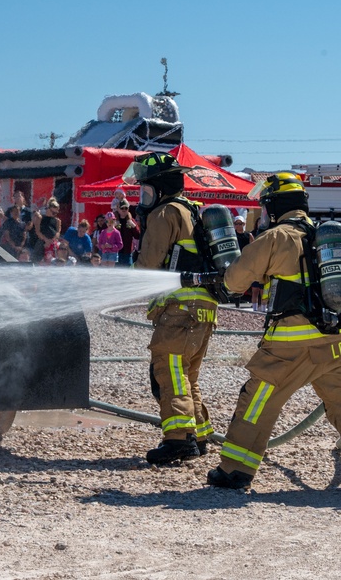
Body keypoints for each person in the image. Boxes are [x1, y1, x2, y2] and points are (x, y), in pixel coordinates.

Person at [208, 172, 341, 491]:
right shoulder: (324, 234)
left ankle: (235, 469)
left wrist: (224, 282)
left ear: (276, 206)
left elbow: (234, 281)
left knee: (258, 399)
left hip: (291, 345)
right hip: (340, 341)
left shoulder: (275, 237)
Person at [126, 153, 218, 465]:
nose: (144, 198)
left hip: (180, 308)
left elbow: (149, 262)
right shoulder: (192, 211)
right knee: (187, 375)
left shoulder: (165, 213)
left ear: (161, 187)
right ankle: (199, 435)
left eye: (147, 190)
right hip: (203, 309)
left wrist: (132, 275)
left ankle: (178, 439)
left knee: (169, 372)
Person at [32, 197, 62, 263]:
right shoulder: (40, 218)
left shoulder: (57, 221)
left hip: (52, 243)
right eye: (53, 212)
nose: (54, 215)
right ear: (48, 209)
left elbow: (58, 232)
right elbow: (37, 231)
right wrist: (46, 240)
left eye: (56, 213)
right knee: (37, 259)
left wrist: (51, 241)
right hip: (42, 241)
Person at [112, 199, 140, 267]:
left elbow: (137, 236)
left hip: (127, 253)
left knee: (128, 272)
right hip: (115, 252)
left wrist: (133, 226)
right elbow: (106, 233)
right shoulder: (113, 220)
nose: (124, 210)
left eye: (126, 208)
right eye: (122, 208)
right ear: (118, 209)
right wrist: (113, 226)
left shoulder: (131, 220)